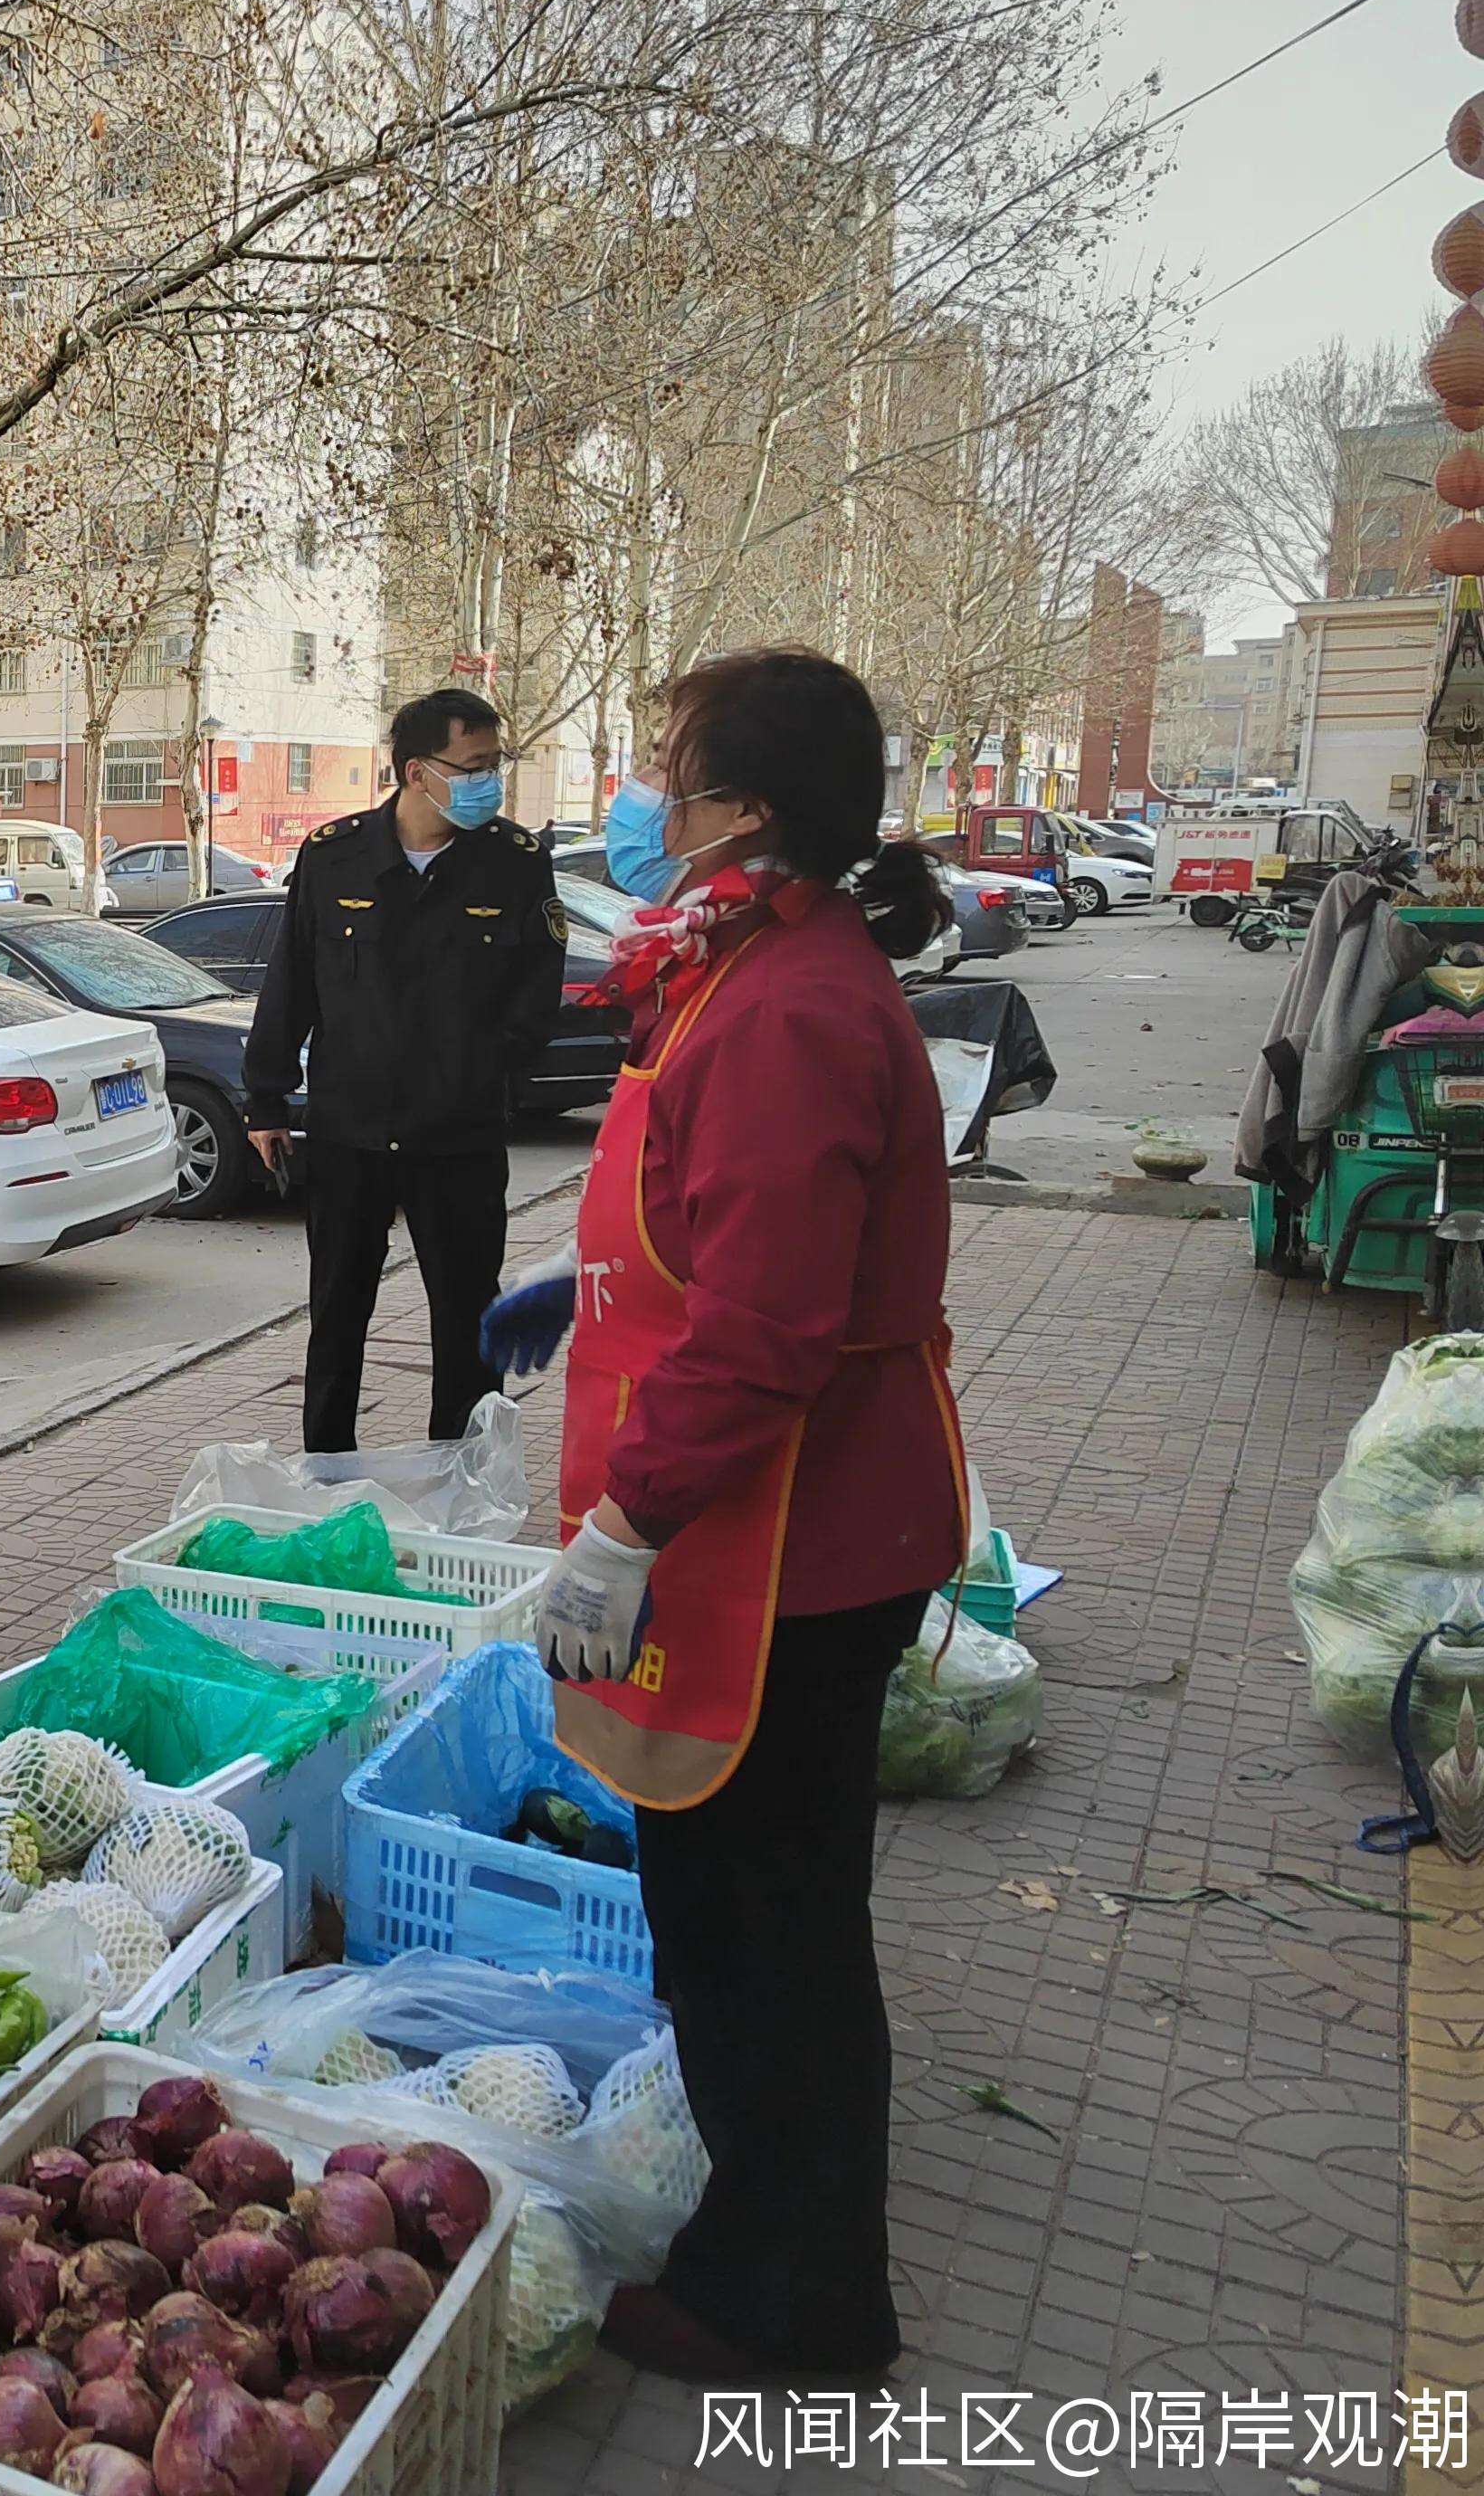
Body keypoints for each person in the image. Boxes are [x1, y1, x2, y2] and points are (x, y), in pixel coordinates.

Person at [478, 646, 966, 2384]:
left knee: (765, 1937)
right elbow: (728, 1226)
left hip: (788, 1546)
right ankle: (770, 2246)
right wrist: (599, 1277)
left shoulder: (784, 1008)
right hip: (764, 1521)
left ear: (739, 809)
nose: (640, 797)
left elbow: (765, 1329)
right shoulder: (751, 967)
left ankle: (793, 2299)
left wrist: (620, 1530)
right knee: (737, 1916)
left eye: (663, 767)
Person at [243, 687, 560, 1453]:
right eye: (475, 766)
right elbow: (293, 983)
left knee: (466, 1316)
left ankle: (464, 1473)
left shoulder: (514, 863)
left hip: (458, 1136)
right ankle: (327, 1463)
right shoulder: (335, 856)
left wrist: (482, 1076)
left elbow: (535, 1001)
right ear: (419, 772)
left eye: (496, 763)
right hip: (350, 1130)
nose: (490, 781)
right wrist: (267, 1099)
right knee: (337, 1311)